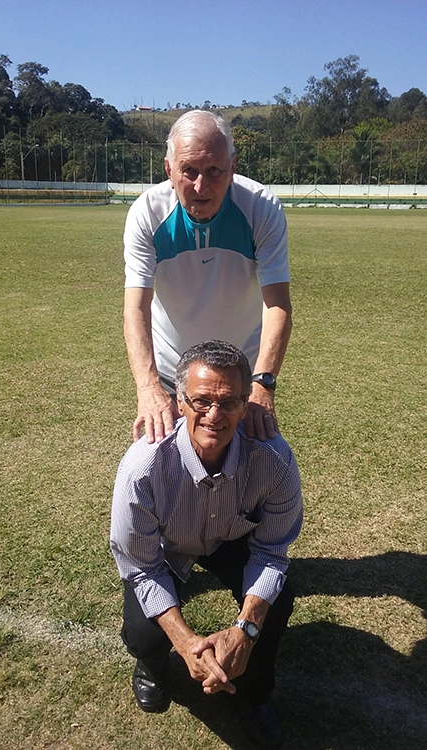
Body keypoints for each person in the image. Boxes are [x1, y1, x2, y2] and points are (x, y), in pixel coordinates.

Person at [110, 340, 303, 749]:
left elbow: (271, 551)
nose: (214, 416)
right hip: (169, 546)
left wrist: (245, 630)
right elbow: (142, 566)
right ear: (179, 402)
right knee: (145, 634)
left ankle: (253, 696)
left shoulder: (276, 460)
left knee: (278, 598)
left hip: (233, 537)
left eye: (229, 402)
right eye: (200, 401)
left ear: (246, 403)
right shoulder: (142, 467)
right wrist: (185, 642)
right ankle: (153, 665)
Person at [123, 110, 292, 445]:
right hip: (174, 375)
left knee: (255, 469)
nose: (201, 186)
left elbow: (277, 305)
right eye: (189, 171)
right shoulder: (148, 213)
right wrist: (148, 387)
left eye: (214, 170)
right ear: (169, 170)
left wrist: (262, 385)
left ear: (232, 167)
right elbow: (135, 307)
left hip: (240, 378)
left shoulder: (261, 209)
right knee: (160, 473)